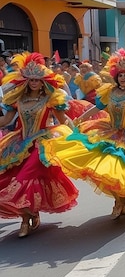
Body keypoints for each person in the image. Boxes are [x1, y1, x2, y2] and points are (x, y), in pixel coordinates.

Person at [40, 49, 125, 219]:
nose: (122, 78)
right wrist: (80, 118)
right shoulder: (110, 92)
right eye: (120, 75)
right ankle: (119, 201)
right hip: (110, 132)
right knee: (111, 170)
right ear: (116, 76)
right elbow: (97, 107)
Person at [0, 52, 78, 238]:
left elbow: (63, 120)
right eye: (31, 80)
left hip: (42, 143)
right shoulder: (17, 100)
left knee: (26, 177)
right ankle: (30, 215)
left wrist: (77, 134)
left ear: (43, 81)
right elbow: (6, 120)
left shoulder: (51, 100)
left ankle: (26, 221)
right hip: (19, 143)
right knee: (11, 177)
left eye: (37, 79)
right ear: (25, 81)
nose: (34, 83)